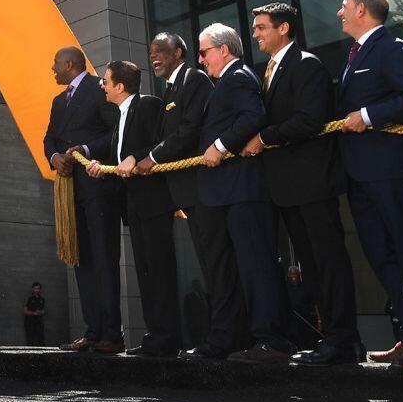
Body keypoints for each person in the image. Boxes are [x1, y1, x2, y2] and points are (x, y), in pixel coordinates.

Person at [245, 3, 362, 366]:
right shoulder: (269, 70)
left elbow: (310, 120)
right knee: (311, 267)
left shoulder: (307, 64)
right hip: (287, 187)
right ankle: (331, 339)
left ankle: (344, 341)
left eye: (262, 27)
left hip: (312, 183)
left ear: (283, 29)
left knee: (329, 262)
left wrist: (263, 138)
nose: (256, 34)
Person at [336, 0, 403, 369]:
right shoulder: (355, 54)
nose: (339, 12)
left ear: (361, 10)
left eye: (344, 6)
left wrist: (367, 116)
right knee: (381, 256)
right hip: (361, 175)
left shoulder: (391, 48)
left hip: (391, 171)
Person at [137, 33, 244, 358]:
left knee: (218, 264)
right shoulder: (172, 86)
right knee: (209, 264)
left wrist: (152, 158)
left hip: (203, 188)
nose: (154, 56)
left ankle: (226, 339)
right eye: (151, 51)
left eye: (161, 51)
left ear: (179, 52)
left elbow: (189, 130)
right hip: (186, 192)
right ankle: (222, 336)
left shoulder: (194, 79)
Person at [195, 23, 296, 364]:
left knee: (256, 266)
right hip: (225, 192)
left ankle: (272, 340)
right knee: (232, 270)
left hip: (244, 190)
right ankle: (230, 338)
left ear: (224, 50)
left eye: (205, 51)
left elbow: (254, 115)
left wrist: (219, 145)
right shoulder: (225, 80)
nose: (201, 58)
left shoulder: (238, 76)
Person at [84, 60, 179, 357]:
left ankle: (167, 338)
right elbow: (119, 157)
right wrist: (103, 164)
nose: (102, 86)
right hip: (134, 206)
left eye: (106, 81)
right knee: (146, 273)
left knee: (160, 272)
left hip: (154, 203)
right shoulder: (120, 116)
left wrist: (135, 156)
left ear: (120, 87)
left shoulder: (149, 106)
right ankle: (155, 338)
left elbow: (159, 142)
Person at [44, 46, 118, 353]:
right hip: (69, 191)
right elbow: (49, 138)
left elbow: (116, 131)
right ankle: (92, 331)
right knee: (81, 260)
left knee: (103, 258)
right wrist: (55, 156)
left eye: (56, 63)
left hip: (97, 187)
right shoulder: (58, 101)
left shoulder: (100, 88)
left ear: (70, 64)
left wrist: (85, 150)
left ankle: (112, 334)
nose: (53, 69)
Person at [23, 282, 46, 346]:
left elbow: (43, 311)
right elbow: (25, 311)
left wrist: (40, 312)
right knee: (30, 340)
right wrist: (33, 313)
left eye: (38, 289)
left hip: (39, 322)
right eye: (35, 288)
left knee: (41, 340)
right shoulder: (29, 298)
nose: (36, 290)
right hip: (30, 322)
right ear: (33, 289)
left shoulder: (42, 299)